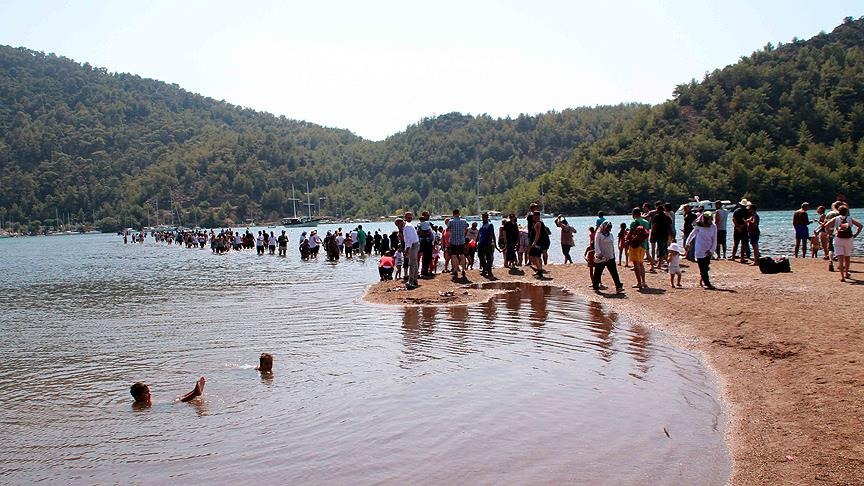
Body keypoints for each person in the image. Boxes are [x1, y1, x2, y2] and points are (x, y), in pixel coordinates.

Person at [822, 205, 862, 282]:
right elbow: (860, 226)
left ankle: (842, 277)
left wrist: (830, 233)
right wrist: (855, 235)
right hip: (848, 240)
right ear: (847, 212)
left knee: (840, 257)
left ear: (838, 212)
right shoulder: (850, 219)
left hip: (837, 239)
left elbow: (826, 226)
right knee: (847, 257)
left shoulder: (836, 218)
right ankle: (846, 273)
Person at [686, 211, 718, 290]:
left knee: (706, 267)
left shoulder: (713, 226)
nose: (711, 220)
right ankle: (707, 283)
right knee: (702, 267)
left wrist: (711, 250)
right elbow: (692, 234)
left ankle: (703, 279)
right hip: (699, 248)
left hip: (708, 249)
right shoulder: (699, 226)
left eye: (711, 219)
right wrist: (687, 243)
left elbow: (714, 240)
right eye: (709, 219)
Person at [130, 377, 205, 408]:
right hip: (165, 406)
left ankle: (194, 391)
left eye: (149, 392)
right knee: (180, 401)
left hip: (164, 404)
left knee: (178, 398)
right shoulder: (138, 404)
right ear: (138, 397)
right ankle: (195, 393)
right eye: (146, 393)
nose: (150, 394)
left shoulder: (143, 401)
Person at [593, 221, 624, 293]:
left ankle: (618, 286)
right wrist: (599, 254)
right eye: (607, 228)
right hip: (601, 257)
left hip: (610, 257)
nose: (608, 229)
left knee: (614, 272)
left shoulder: (611, 235)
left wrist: (613, 255)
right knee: (598, 272)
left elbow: (612, 246)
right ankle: (596, 286)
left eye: (610, 228)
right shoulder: (599, 235)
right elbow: (596, 245)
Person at [628, 208, 650, 289]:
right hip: (644, 245)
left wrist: (627, 239)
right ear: (640, 214)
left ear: (633, 214)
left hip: (635, 245)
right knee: (641, 263)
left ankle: (639, 283)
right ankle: (644, 282)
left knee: (636, 264)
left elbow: (630, 234)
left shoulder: (634, 222)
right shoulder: (646, 222)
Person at [396, 215, 420, 289]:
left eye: (397, 225)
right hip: (413, 245)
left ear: (401, 223)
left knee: (412, 263)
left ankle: (411, 281)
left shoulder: (407, 227)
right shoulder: (406, 227)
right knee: (414, 263)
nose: (397, 227)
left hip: (413, 245)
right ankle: (415, 280)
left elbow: (409, 240)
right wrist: (407, 248)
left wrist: (407, 250)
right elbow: (407, 240)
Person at [447, 209, 469, 280]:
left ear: (453, 214)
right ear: (459, 213)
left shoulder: (451, 221)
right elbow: (466, 229)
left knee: (454, 256)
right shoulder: (464, 221)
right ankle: (463, 269)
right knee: (462, 255)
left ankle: (455, 270)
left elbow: (448, 230)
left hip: (453, 241)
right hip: (461, 241)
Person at [529, 210, 551, 277]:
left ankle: (539, 270)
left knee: (536, 256)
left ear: (536, 216)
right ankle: (539, 269)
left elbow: (537, 234)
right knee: (532, 256)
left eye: (534, 216)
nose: (533, 217)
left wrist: (534, 242)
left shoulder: (538, 223)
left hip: (538, 242)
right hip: (538, 242)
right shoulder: (536, 223)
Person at [477, 212, 497, 277]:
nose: (483, 219)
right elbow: (479, 234)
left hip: (487, 243)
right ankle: (485, 268)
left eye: (485, 217)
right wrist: (476, 241)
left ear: (487, 218)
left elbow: (492, 234)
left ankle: (488, 270)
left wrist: (495, 243)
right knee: (480, 256)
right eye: (483, 217)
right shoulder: (481, 225)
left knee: (488, 257)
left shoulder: (490, 225)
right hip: (481, 243)